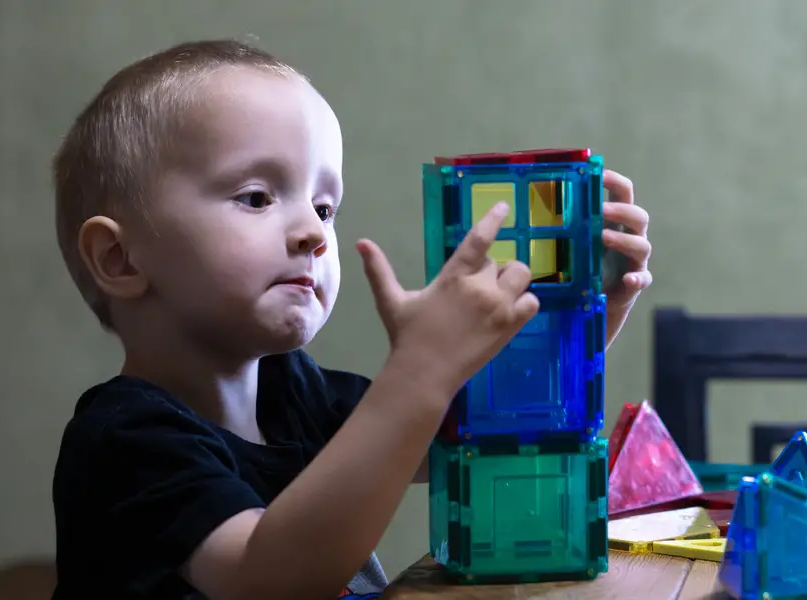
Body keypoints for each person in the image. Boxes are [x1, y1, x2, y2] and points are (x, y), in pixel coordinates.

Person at [50, 39, 653, 600]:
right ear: (119, 258)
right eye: (256, 197)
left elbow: (483, 426)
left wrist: (582, 315)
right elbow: (268, 580)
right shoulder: (125, 441)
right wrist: (418, 372)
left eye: (324, 205)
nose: (314, 231)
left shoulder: (300, 393)